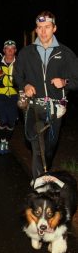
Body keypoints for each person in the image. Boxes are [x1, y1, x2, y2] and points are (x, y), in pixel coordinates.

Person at [14, 10, 78, 180]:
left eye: (47, 27)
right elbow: (17, 76)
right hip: (34, 107)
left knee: (49, 148)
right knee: (38, 148)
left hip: (55, 109)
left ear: (54, 28)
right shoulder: (26, 53)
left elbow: (76, 80)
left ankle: (45, 170)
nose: (43, 32)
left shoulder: (65, 53)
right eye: (40, 27)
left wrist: (64, 82)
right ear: (36, 28)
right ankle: (39, 188)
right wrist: (25, 85)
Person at [0, 40, 18, 154]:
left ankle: (6, 141)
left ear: (15, 50)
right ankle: (2, 141)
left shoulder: (19, 62)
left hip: (15, 95)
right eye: (7, 48)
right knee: (3, 119)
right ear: (4, 50)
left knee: (11, 121)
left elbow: (26, 76)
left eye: (12, 48)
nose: (10, 51)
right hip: (0, 93)